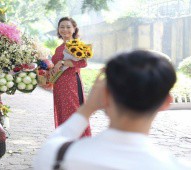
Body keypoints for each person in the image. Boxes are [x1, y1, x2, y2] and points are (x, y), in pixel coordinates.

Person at [34, 50, 191, 170]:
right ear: (166, 103)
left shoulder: (58, 156)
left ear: (105, 94)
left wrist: (87, 109)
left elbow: (56, 139)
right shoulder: (177, 166)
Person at [51, 17, 91, 137]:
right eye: (62, 27)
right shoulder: (58, 48)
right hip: (58, 85)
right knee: (62, 112)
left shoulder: (78, 45)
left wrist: (63, 63)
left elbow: (83, 63)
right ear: (58, 30)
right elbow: (55, 66)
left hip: (72, 83)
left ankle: (79, 143)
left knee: (74, 112)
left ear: (74, 29)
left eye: (68, 27)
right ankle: (66, 142)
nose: (65, 30)